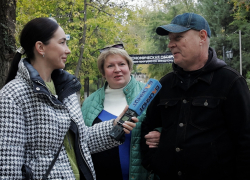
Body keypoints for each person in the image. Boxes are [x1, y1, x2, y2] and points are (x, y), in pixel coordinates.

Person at [0, 17, 138, 180]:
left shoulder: (66, 90)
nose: (68, 50)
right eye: (62, 42)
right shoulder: (13, 94)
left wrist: (115, 125)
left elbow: (81, 142)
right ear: (40, 47)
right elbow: (7, 168)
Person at [141, 12, 250, 180]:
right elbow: (147, 127)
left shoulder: (230, 82)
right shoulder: (165, 84)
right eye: (170, 39)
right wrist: (154, 163)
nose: (170, 45)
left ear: (202, 36)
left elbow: (245, 141)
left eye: (178, 38)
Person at [81, 45, 160, 180]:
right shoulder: (90, 102)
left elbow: (170, 124)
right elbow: (82, 141)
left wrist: (160, 133)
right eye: (110, 66)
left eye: (122, 64)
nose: (117, 70)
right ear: (103, 72)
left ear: (129, 68)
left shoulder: (148, 93)